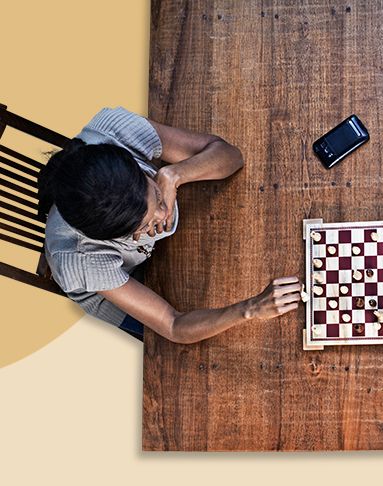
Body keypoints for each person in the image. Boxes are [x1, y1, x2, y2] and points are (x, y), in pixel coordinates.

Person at [39, 107, 301, 343]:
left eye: (155, 193)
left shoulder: (115, 131)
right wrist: (250, 308)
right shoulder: (83, 258)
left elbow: (231, 156)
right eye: (146, 224)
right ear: (117, 237)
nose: (164, 213)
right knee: (176, 353)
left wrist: (173, 174)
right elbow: (173, 325)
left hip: (161, 248)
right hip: (121, 286)